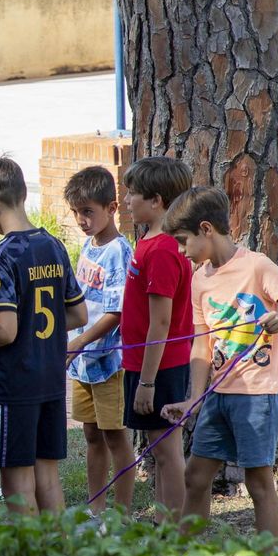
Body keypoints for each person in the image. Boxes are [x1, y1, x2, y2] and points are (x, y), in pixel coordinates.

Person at [161, 187, 278, 537]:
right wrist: (194, 398)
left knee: (258, 481)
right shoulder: (199, 280)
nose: (180, 251)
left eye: (182, 240)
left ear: (206, 229)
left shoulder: (256, 266)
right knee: (196, 475)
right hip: (219, 395)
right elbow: (202, 345)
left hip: (257, 395)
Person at [0, 158, 85, 515]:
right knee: (48, 475)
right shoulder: (54, 245)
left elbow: (5, 329)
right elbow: (78, 313)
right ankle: (57, 555)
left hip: (14, 385)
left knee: (16, 481)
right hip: (51, 378)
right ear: (24, 194)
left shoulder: (1, 254)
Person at [119, 156, 195, 523]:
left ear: (157, 201)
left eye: (133, 193)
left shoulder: (164, 249)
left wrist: (147, 382)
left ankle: (176, 528)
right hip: (144, 362)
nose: (127, 200)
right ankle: (166, 523)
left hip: (161, 365)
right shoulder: (149, 241)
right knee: (159, 449)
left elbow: (160, 323)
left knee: (167, 453)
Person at [62, 166, 135, 514]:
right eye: (77, 212)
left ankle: (119, 515)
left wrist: (80, 342)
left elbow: (116, 312)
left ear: (112, 208)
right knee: (91, 435)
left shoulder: (119, 251)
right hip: (81, 362)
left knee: (115, 437)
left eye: (88, 211)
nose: (81, 220)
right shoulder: (89, 247)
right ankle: (96, 510)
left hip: (110, 362)